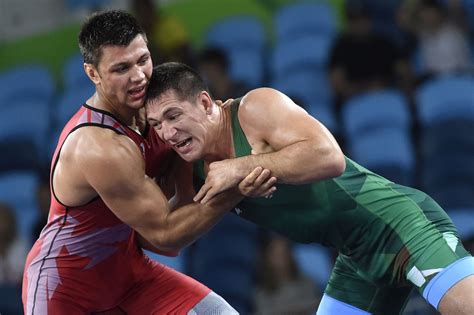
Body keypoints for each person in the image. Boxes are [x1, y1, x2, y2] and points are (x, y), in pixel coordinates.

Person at [145, 62, 474, 315]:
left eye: (174, 116)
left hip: (399, 224)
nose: (168, 133)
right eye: (157, 124)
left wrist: (242, 166)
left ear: (204, 103)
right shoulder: (189, 166)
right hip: (356, 259)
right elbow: (174, 237)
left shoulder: (254, 109)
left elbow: (330, 158)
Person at [22, 11, 275, 314]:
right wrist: (237, 186)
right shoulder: (99, 147)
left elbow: (164, 229)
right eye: (121, 68)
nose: (139, 76)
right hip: (65, 293)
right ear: (93, 74)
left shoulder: (158, 114)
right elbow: (165, 237)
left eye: (143, 60)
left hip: (129, 276)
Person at [254, 234, 321, 315]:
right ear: (268, 259)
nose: (281, 259)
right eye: (276, 255)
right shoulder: (261, 293)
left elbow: (316, 304)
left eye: (284, 253)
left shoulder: (307, 283)